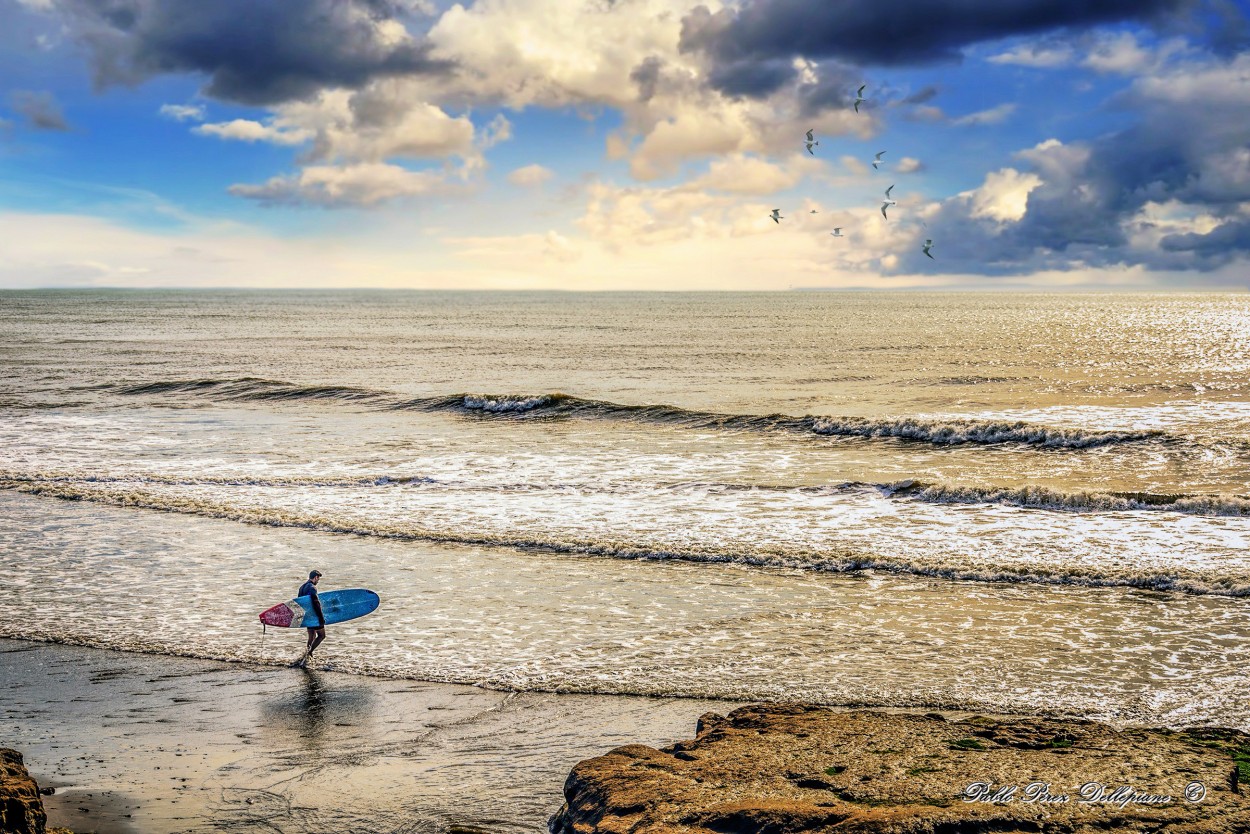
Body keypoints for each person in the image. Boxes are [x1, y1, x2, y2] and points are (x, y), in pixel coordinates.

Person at [295, 569, 326, 668]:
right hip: (314, 616)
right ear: (315, 577)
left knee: (311, 636)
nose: (318, 581)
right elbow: (316, 603)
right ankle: (308, 654)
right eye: (318, 579)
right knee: (321, 635)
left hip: (307, 615)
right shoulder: (312, 588)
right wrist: (321, 617)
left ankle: (307, 658)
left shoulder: (301, 588)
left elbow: (300, 603)